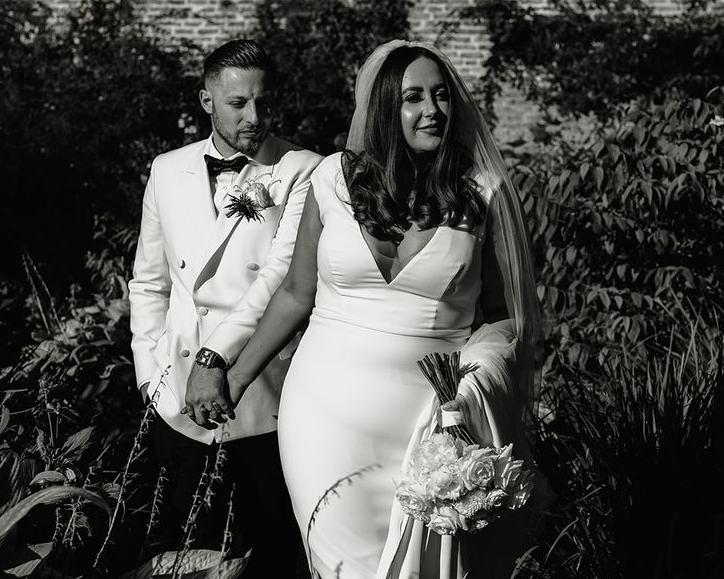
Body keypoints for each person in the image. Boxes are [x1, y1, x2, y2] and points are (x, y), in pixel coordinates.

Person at [205, 40, 541, 578]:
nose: (433, 109)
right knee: (340, 566)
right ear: (385, 106)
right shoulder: (333, 179)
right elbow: (296, 292)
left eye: (441, 95)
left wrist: (475, 386)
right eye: (413, 97)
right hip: (322, 419)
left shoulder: (482, 192)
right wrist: (237, 376)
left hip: (429, 431)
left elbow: (504, 315)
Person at [128, 39, 321, 576]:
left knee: (270, 556)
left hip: (261, 397)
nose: (254, 117)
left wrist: (216, 362)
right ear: (206, 100)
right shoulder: (168, 169)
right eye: (238, 104)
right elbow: (149, 282)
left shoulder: (303, 169)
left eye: (263, 102)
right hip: (176, 401)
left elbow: (280, 281)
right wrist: (152, 376)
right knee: (183, 556)